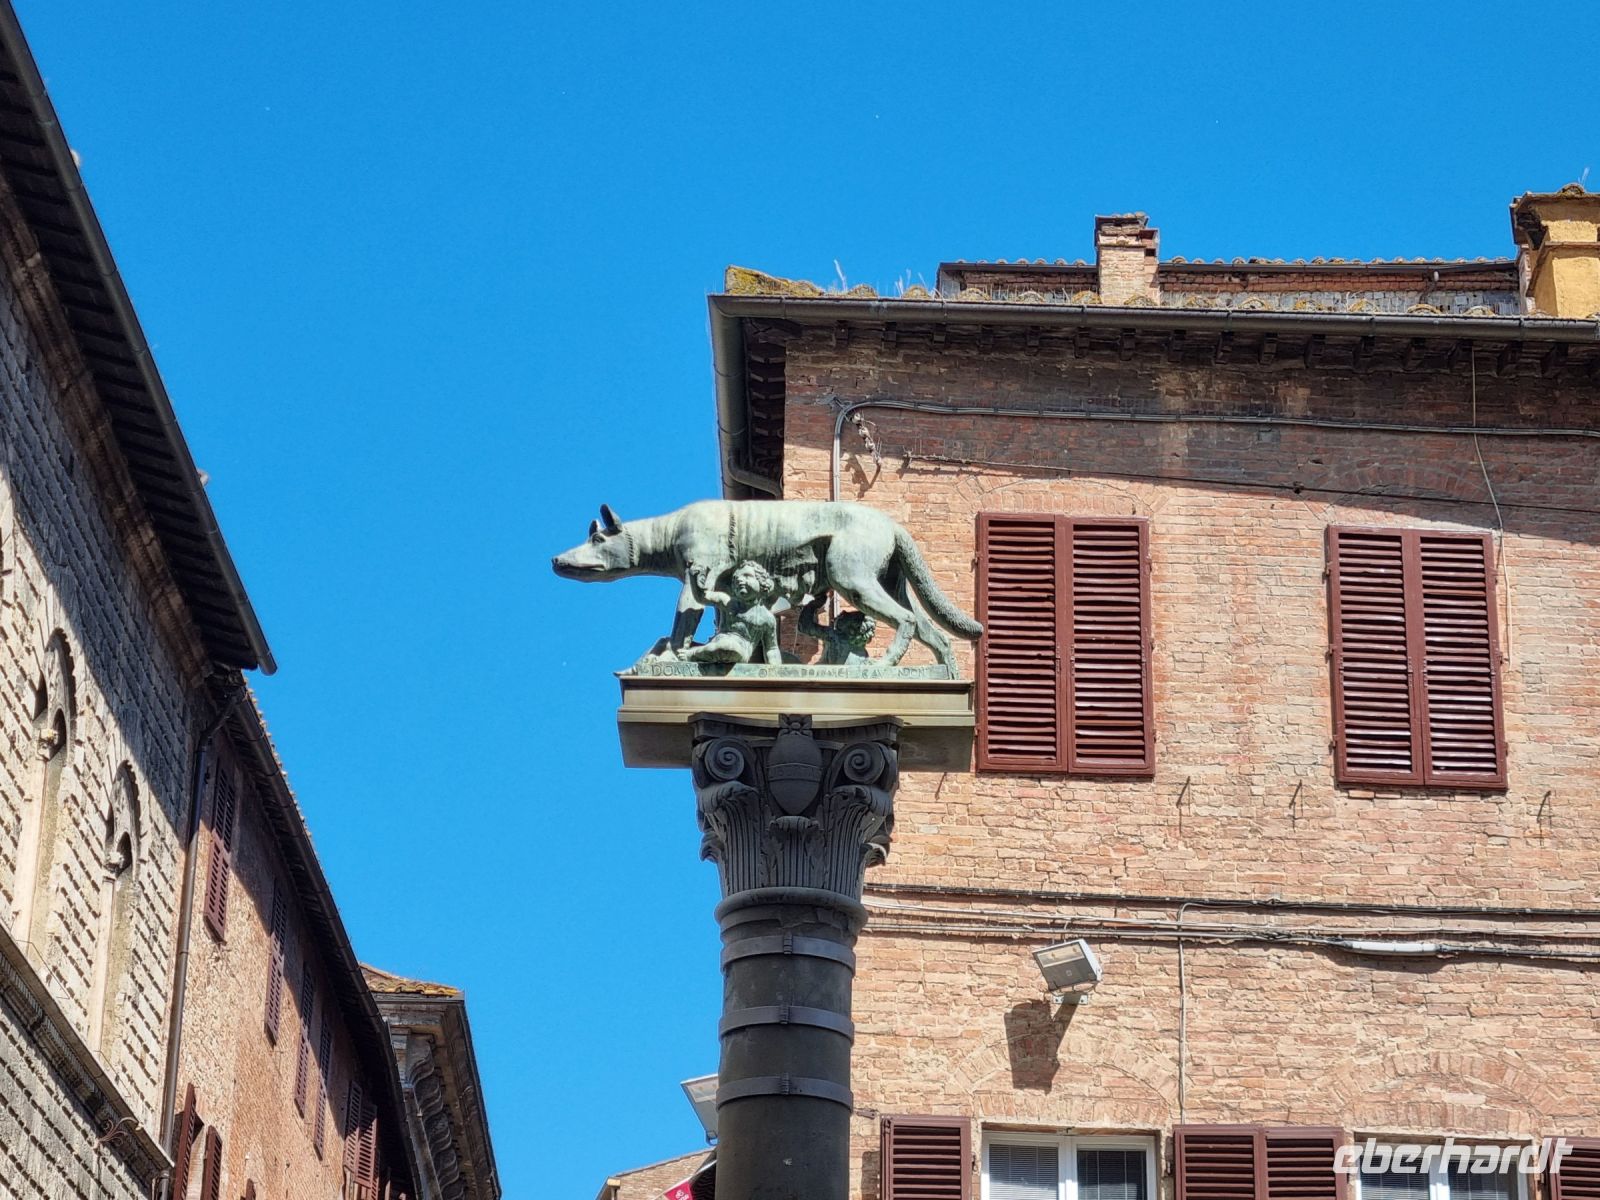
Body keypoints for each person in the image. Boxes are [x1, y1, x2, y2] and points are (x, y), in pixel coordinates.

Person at [680, 561, 782, 665]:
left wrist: (776, 671)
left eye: (747, 576)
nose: (740, 580)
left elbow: (772, 649)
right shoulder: (727, 601)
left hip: (740, 651)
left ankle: (694, 653)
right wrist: (694, 577)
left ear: (762, 582)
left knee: (730, 648)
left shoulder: (767, 618)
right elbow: (702, 597)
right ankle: (693, 654)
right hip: (720, 643)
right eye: (736, 579)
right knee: (725, 646)